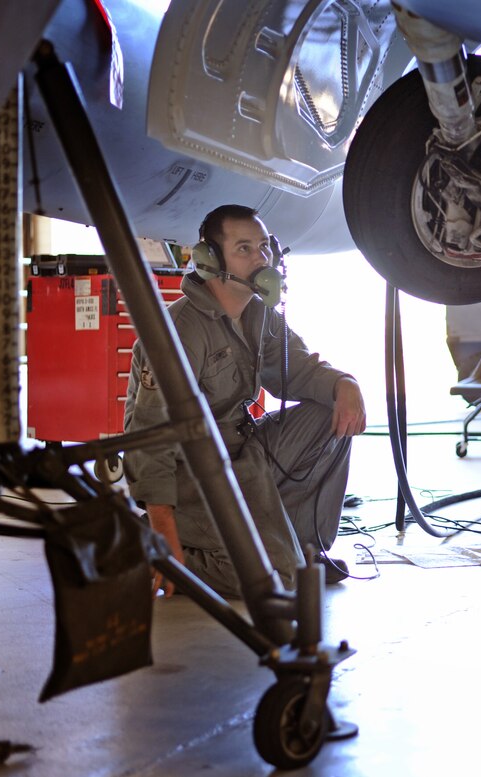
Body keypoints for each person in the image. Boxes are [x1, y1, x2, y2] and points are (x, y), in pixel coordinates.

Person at [124, 204, 366, 598]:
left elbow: (299, 371)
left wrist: (344, 384)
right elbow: (150, 435)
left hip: (241, 455)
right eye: (244, 249)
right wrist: (162, 525)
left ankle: (307, 550)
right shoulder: (179, 331)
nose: (260, 259)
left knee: (328, 414)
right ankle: (150, 551)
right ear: (209, 261)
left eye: (263, 247)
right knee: (278, 581)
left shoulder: (257, 314)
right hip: (193, 476)